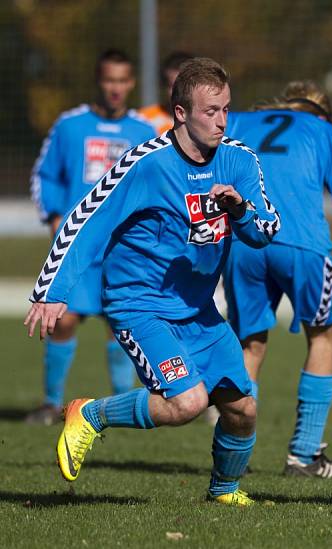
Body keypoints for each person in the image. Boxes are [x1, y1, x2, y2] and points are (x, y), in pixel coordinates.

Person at [25, 57, 281, 506]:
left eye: (226, 109)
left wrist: (239, 210)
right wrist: (52, 291)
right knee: (186, 403)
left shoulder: (240, 160)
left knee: (243, 409)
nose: (221, 121)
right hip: (139, 304)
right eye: (210, 111)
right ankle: (90, 413)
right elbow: (86, 223)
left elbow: (265, 230)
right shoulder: (145, 164)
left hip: (199, 310)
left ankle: (224, 492)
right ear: (180, 112)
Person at [223, 81, 332, 478]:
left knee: (249, 346)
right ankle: (303, 456)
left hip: (244, 244)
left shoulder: (238, 121)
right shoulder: (326, 132)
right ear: (322, 113)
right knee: (323, 336)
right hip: (302, 246)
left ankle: (234, 454)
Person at [27, 49, 156, 425]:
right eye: (108, 80)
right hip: (77, 245)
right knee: (63, 320)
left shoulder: (143, 133)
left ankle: (122, 406)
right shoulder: (70, 125)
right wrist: (52, 216)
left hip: (123, 247)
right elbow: (44, 175)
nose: (115, 88)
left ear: (130, 83)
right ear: (98, 81)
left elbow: (154, 185)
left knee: (122, 324)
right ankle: (52, 404)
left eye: (122, 81)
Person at [139, 51, 194, 135]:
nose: (178, 92)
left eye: (184, 86)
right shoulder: (143, 119)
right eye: (172, 86)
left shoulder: (209, 121)